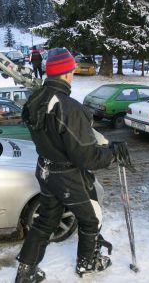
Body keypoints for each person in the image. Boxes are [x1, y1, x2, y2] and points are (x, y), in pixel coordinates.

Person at [15, 48, 132, 283]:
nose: (73, 73)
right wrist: (111, 153)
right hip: (67, 174)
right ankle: (87, 264)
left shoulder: (36, 99)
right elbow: (86, 157)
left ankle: (25, 272)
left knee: (47, 219)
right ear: (67, 73)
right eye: (72, 69)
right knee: (92, 218)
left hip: (46, 169)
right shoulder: (69, 107)